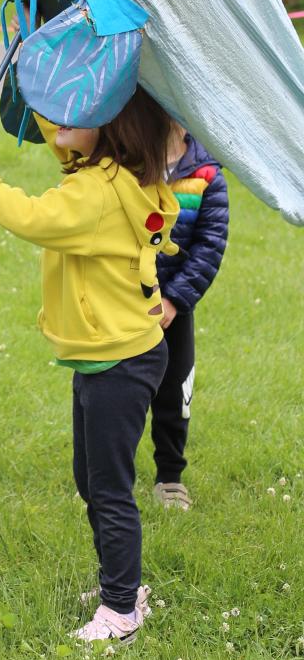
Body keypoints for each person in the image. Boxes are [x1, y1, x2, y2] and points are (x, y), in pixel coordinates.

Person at [0, 87, 180, 647]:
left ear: (112, 126)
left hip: (117, 360)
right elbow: (66, 133)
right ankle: (120, 584)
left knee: (109, 489)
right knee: (91, 480)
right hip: (114, 352)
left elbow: (30, 217)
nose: (60, 120)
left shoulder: (92, 195)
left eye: (81, 107)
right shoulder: (114, 172)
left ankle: (122, 609)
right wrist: (41, 73)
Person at [151, 121, 228, 510]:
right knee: (119, 393)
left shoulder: (206, 173)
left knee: (174, 393)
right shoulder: (130, 161)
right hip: (124, 301)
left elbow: (210, 245)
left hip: (174, 309)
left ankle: (169, 478)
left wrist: (174, 301)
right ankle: (105, 475)